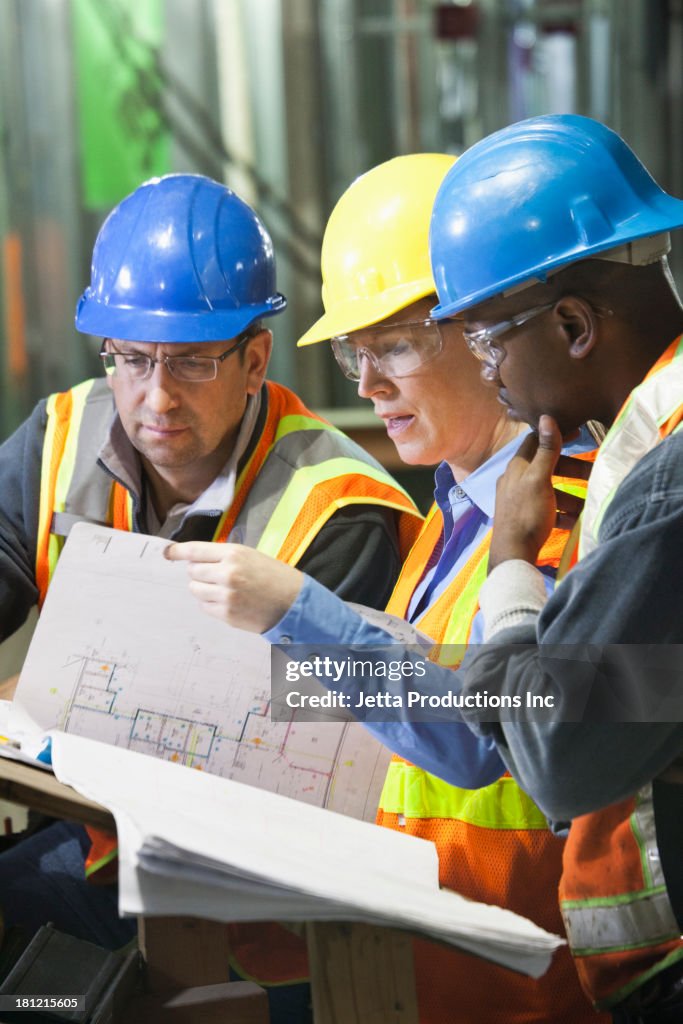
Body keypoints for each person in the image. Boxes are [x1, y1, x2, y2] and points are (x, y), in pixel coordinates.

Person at [168, 156, 604, 1022]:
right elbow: (400, 710)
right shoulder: (451, 508)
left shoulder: (565, 521)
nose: (366, 385)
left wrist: (296, 612)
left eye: (395, 346)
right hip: (413, 978)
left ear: (488, 334)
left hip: (522, 996)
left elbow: (481, 742)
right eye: (352, 351)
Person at [0, 173, 421, 1014]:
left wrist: (42, 694)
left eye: (191, 363)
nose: (155, 397)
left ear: (254, 359)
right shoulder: (59, 438)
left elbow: (240, 753)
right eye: (131, 358)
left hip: (275, 932)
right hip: (101, 852)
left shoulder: (336, 508)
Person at [423, 114, 683, 1023]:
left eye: (490, 340)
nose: (488, 373)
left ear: (572, 323)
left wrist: (509, 567)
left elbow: (556, 749)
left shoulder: (667, 489)